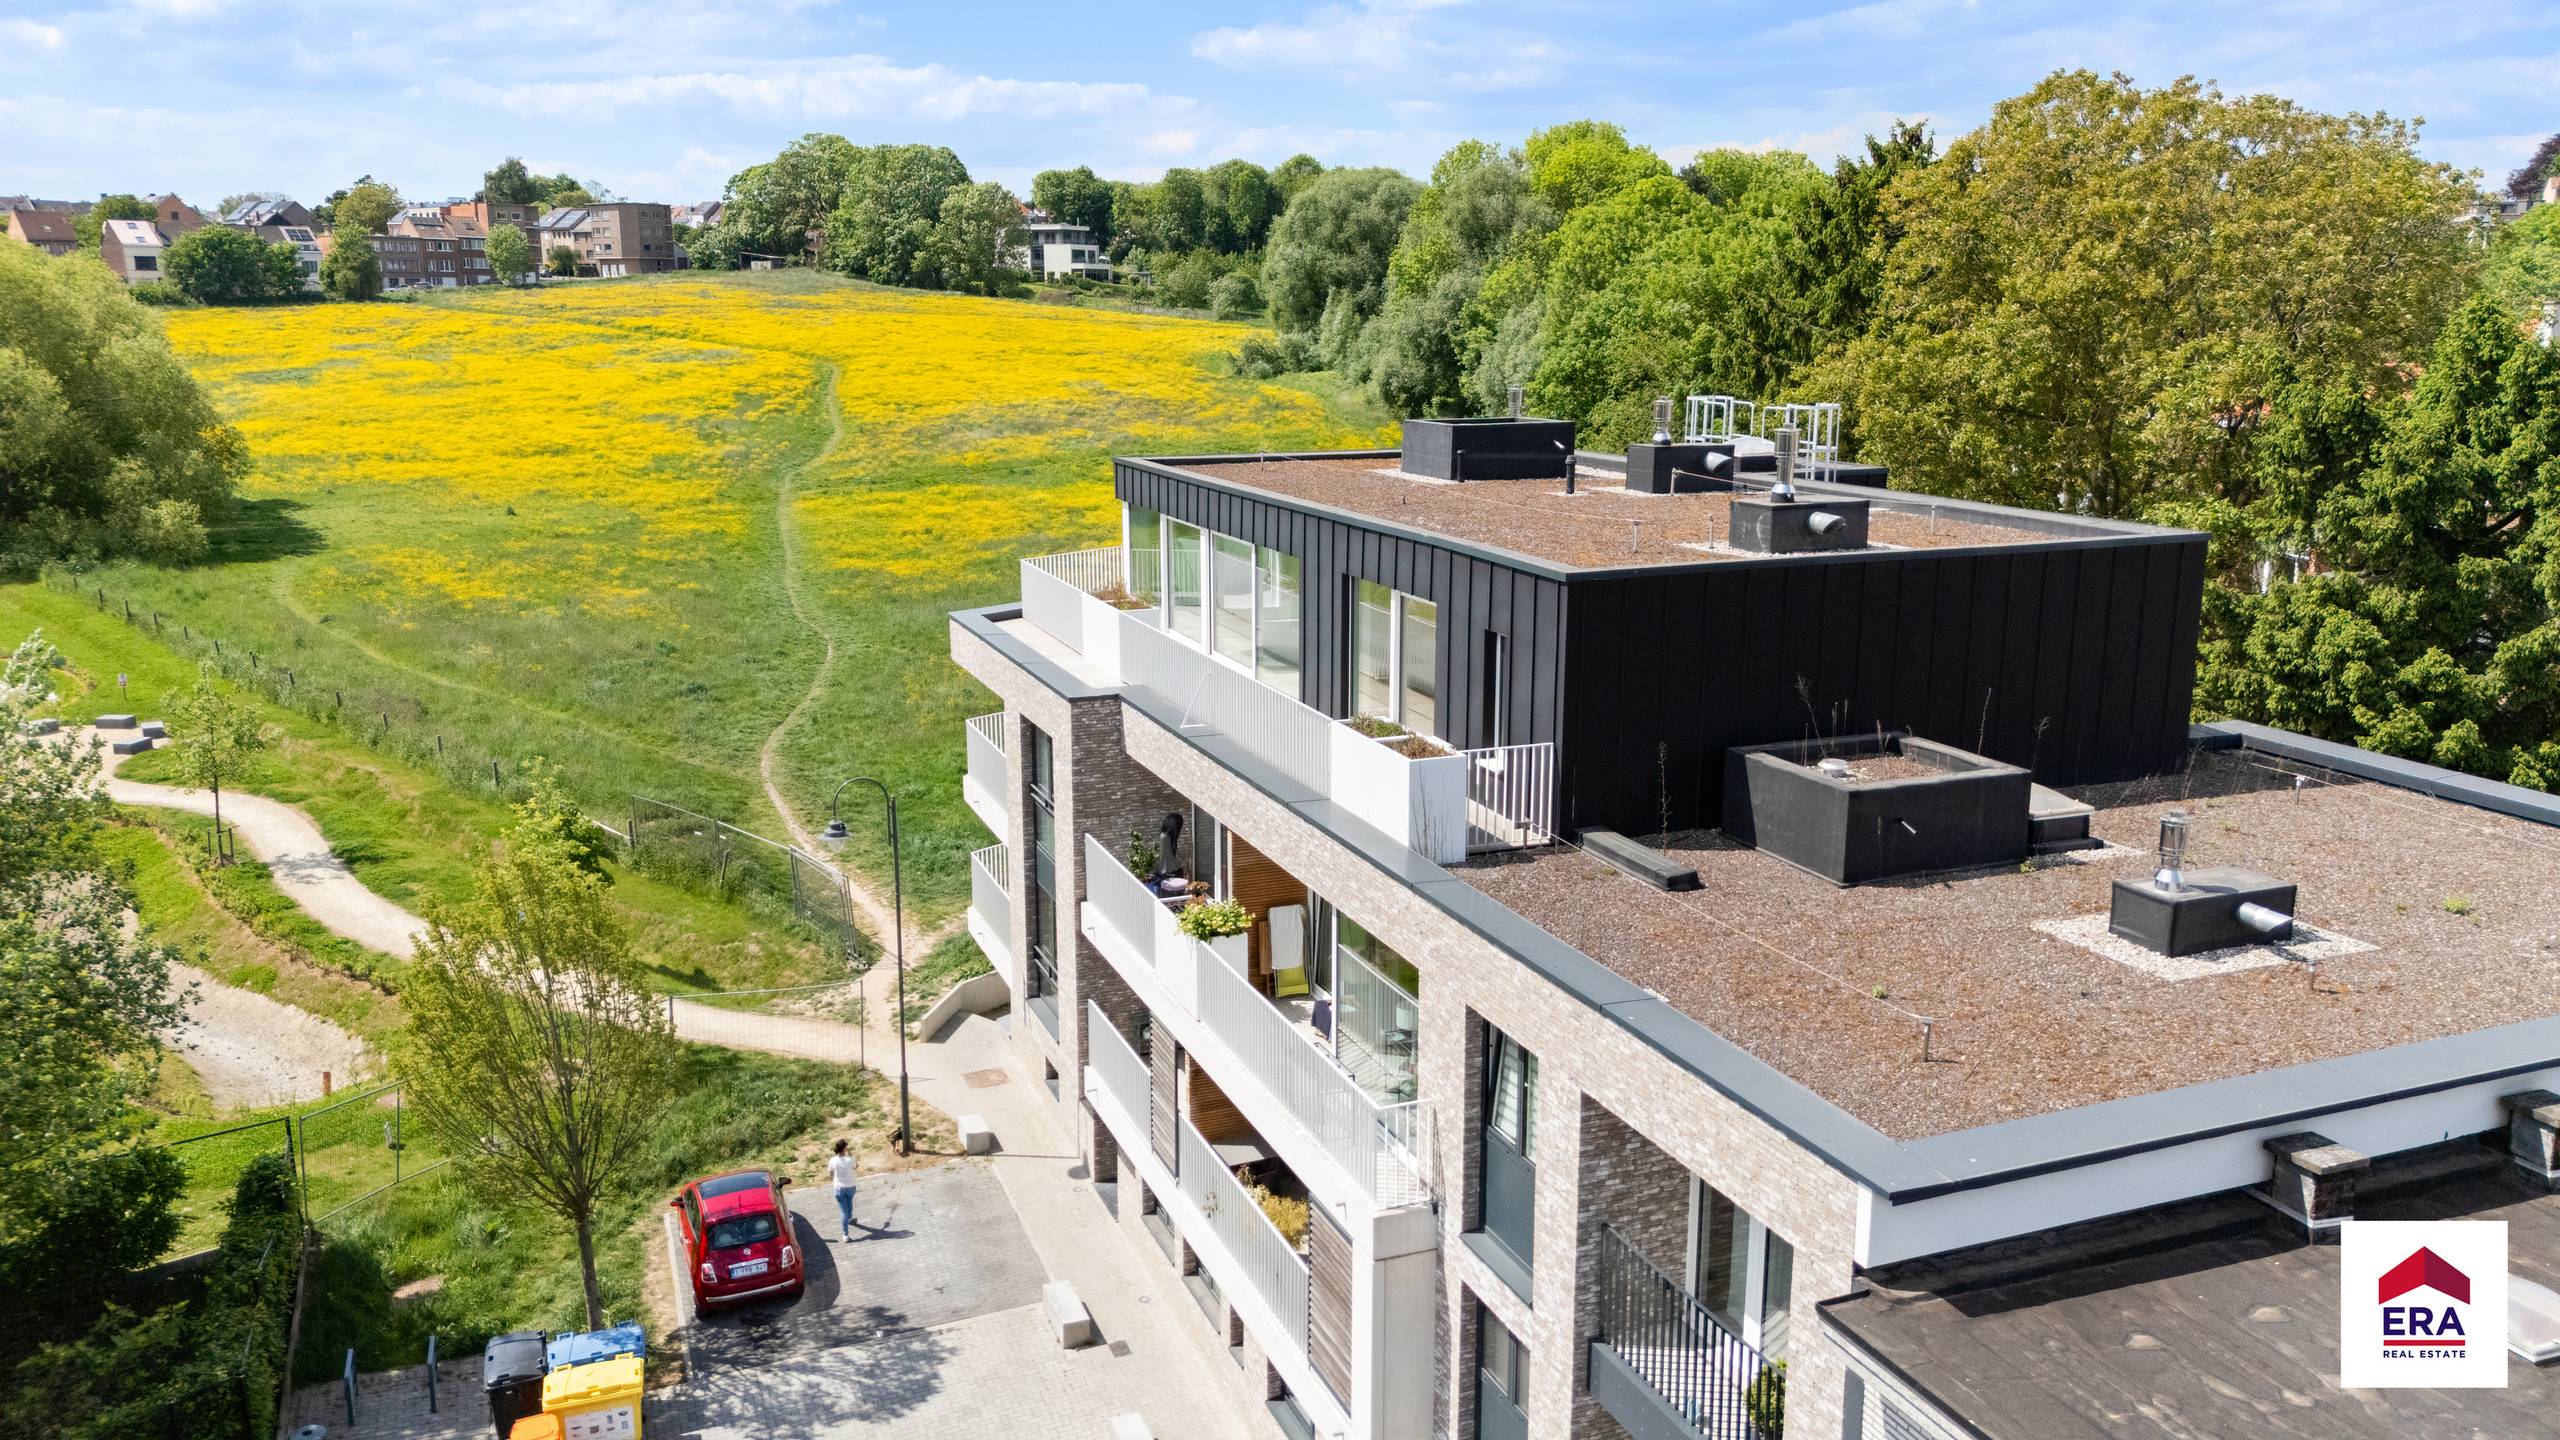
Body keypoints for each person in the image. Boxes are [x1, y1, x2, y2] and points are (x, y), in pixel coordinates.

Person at [828, 1139, 857, 1242]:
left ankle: (845, 1235)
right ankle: (849, 1218)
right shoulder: (850, 1159)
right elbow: (856, 1166)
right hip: (851, 1186)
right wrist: (850, 1154)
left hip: (839, 1188)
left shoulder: (832, 1160)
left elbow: (830, 1173)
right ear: (844, 1148)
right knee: (850, 1202)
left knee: (843, 1211)